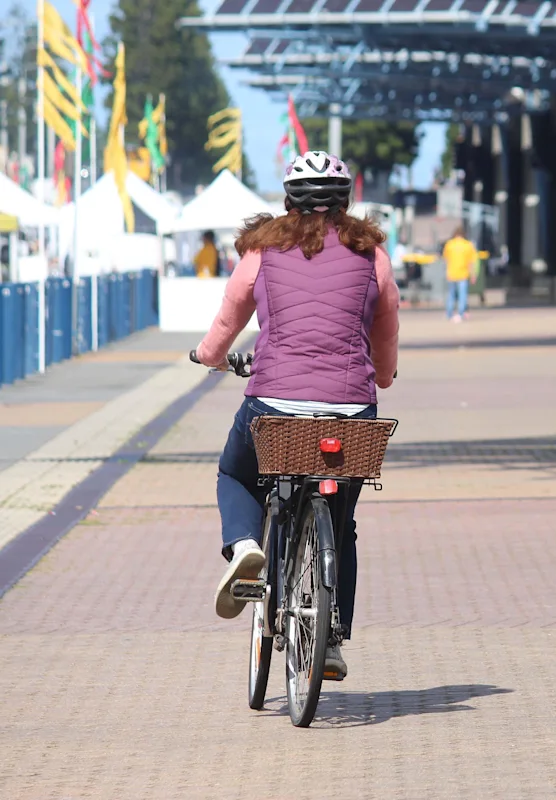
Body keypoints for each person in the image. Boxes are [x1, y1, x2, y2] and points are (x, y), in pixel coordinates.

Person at [195, 151, 400, 680]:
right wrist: (381, 375)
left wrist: (209, 357)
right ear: (346, 201)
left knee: (234, 472)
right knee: (343, 521)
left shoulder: (264, 249)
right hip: (351, 408)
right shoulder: (370, 251)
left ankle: (244, 546)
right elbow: (387, 320)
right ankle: (331, 640)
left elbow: (230, 313)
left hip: (275, 403)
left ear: (287, 201)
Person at [441, 226, 477, 322]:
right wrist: (473, 275)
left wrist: (447, 271)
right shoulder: (468, 245)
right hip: (463, 274)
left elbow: (445, 259)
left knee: (451, 295)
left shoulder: (449, 244)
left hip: (451, 273)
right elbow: (472, 262)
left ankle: (449, 314)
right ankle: (461, 314)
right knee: (462, 295)